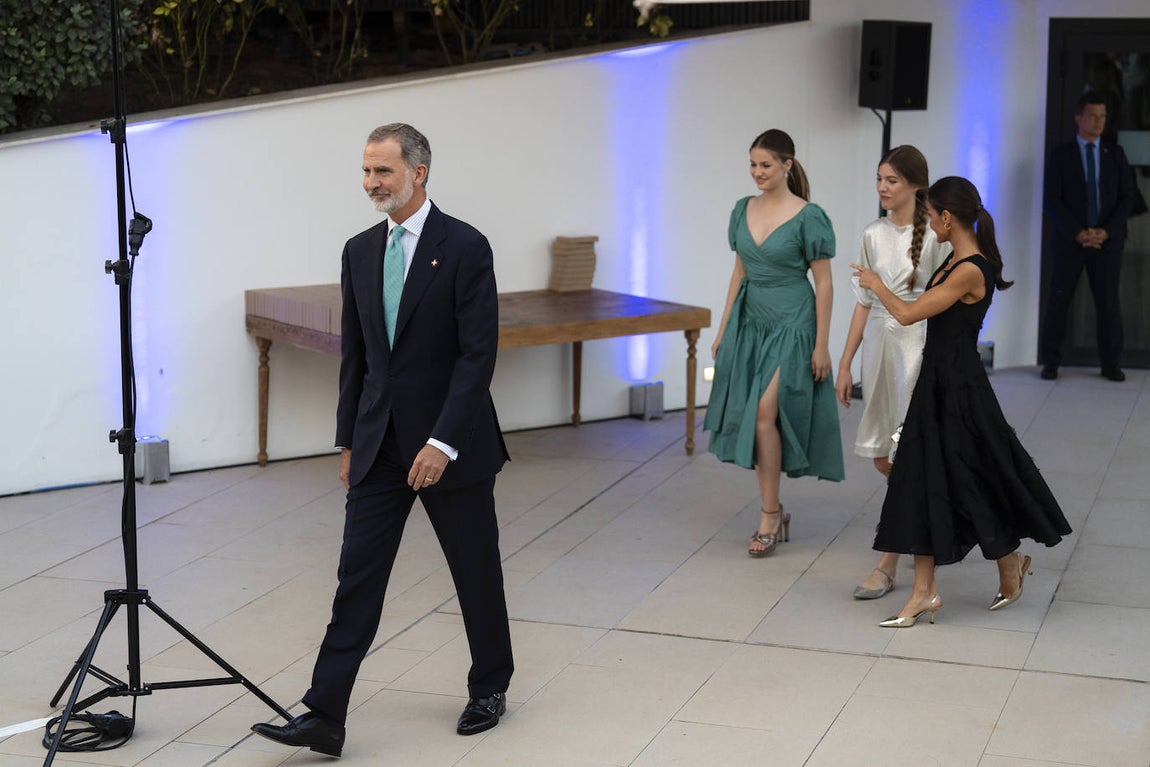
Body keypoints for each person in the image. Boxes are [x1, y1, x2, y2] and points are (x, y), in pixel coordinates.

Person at [252, 123, 514, 756]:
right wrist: (348, 440)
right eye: (366, 172)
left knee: (474, 571)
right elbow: (360, 356)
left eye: (383, 172)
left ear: (418, 173)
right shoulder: (358, 250)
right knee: (357, 578)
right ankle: (324, 712)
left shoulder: (466, 247)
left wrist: (443, 442)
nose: (371, 184)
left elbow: (477, 357)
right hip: (378, 445)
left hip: (450, 447)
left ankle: (490, 685)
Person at [853, 176, 1072, 628]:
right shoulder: (955, 257)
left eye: (931, 215)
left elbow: (911, 313)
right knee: (922, 480)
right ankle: (925, 591)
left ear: (947, 218)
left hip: (959, 392)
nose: (928, 222)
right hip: (937, 385)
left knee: (974, 479)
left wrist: (876, 283)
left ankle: (1005, 562)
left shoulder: (972, 267)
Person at [705, 128, 844, 558]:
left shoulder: (809, 215)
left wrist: (822, 344)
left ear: (787, 165)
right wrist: (724, 327)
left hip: (793, 322)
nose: (757, 172)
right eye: (752, 164)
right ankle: (772, 508)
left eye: (766, 165)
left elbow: (824, 284)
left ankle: (768, 517)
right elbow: (738, 273)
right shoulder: (741, 209)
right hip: (751, 320)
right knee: (757, 417)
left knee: (766, 410)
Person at [836, 146, 949, 600]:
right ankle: (934, 519)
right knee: (885, 456)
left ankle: (889, 561)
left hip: (917, 349)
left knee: (908, 457)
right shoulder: (872, 233)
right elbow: (863, 307)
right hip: (880, 351)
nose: (882, 187)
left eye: (891, 181)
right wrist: (844, 362)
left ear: (915, 185)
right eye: (879, 179)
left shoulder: (938, 238)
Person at [1040, 90, 1135, 382]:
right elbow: (1052, 199)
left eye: (1103, 116)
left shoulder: (1115, 153)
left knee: (1108, 304)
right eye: (1092, 115)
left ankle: (1110, 364)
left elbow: (1127, 197)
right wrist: (1078, 232)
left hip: (1107, 242)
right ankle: (1052, 362)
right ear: (1078, 118)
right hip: (1071, 242)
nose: (1098, 121)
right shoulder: (1061, 155)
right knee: (1060, 300)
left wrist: (1105, 231)